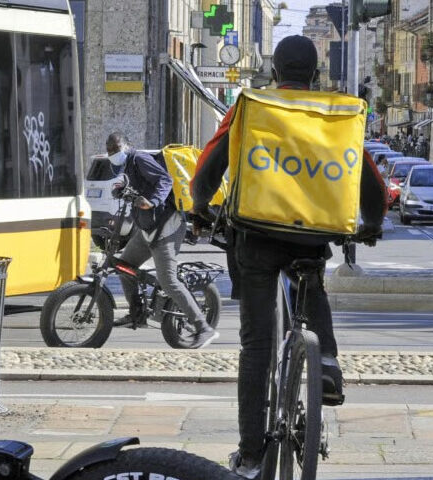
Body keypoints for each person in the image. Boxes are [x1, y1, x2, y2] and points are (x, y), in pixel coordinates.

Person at [189, 35, 386, 479]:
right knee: (311, 283)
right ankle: (327, 363)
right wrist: (372, 223)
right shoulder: (335, 113)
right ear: (315, 74)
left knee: (256, 345)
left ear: (274, 72)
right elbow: (369, 179)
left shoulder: (253, 105)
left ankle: (250, 456)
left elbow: (209, 167)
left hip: (255, 235)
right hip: (311, 235)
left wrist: (200, 206)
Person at [105, 133, 219, 348]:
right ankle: (136, 314)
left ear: (127, 146)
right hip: (147, 229)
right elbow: (135, 188)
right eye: (109, 150)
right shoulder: (125, 165)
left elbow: (165, 180)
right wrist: (121, 191)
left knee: (168, 281)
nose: (112, 153)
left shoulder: (139, 158)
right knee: (124, 266)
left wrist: (153, 201)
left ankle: (204, 327)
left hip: (166, 228)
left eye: (116, 149)